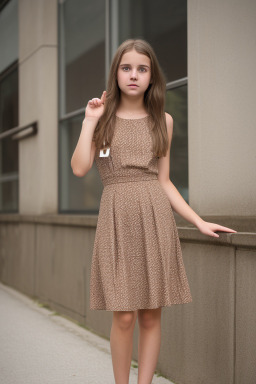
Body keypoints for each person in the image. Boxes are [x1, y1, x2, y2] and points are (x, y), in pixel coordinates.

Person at [71, 38, 237, 384]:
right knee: (124, 317)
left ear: (152, 76)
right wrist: (89, 121)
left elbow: (164, 181)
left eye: (142, 69)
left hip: (155, 219)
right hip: (116, 216)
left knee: (149, 316)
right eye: (126, 68)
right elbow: (80, 169)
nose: (134, 75)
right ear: (116, 73)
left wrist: (197, 220)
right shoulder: (102, 118)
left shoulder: (164, 120)